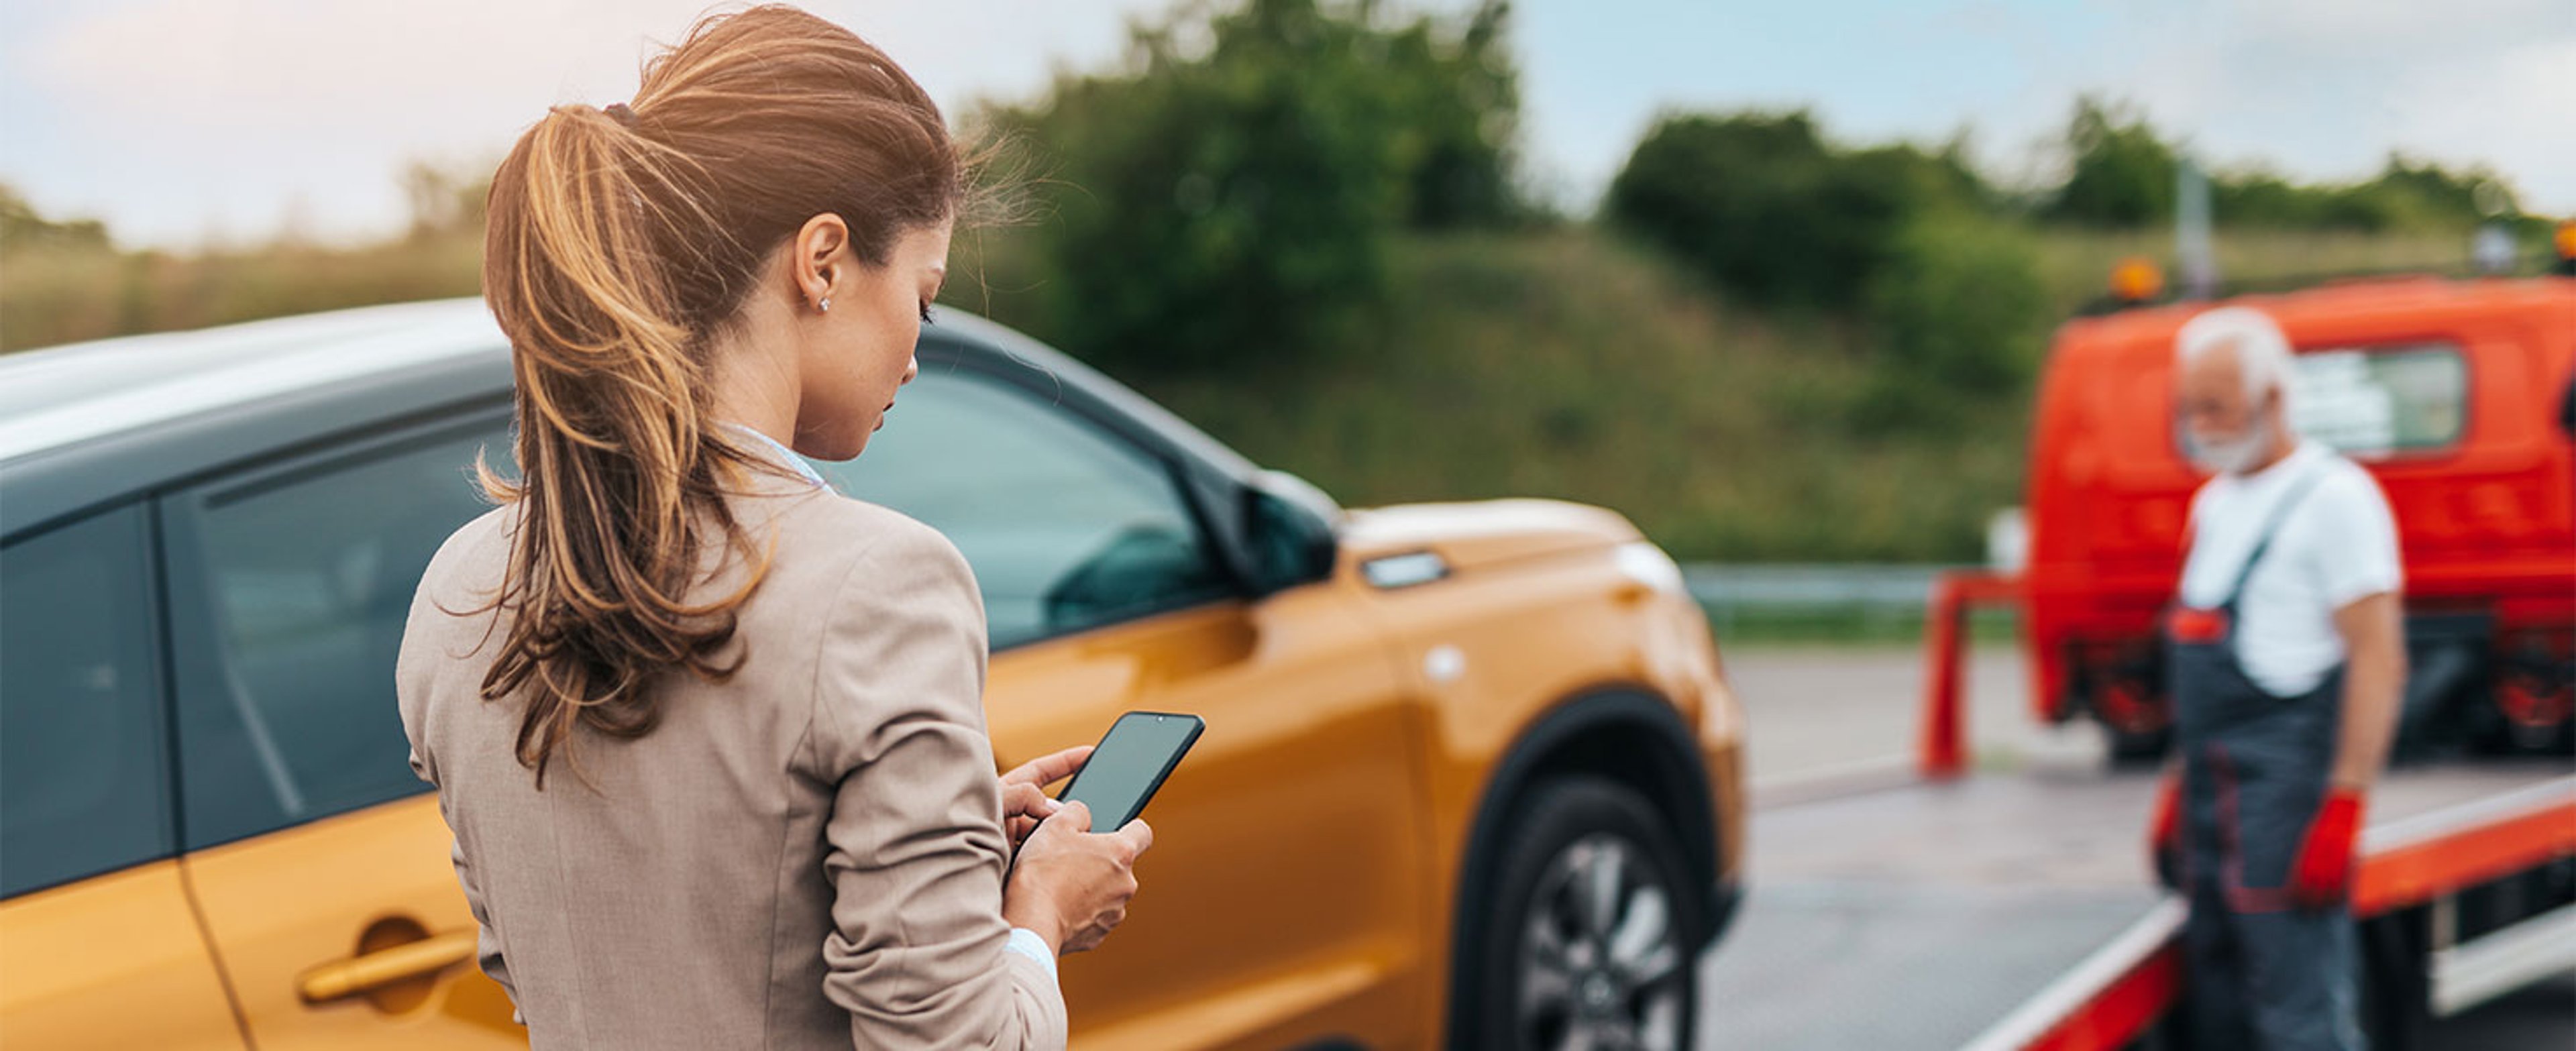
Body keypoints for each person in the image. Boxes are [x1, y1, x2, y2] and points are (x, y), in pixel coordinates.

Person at [394, 7, 1150, 1048]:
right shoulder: (884, 582)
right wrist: (1036, 918)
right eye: (921, 301)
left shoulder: (459, 585)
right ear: (825, 260)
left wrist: (949, 839)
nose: (916, 354)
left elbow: (570, 958)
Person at [2145, 305, 2406, 1050]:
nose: (2202, 424)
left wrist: (2347, 801)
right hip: (2211, 787)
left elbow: (2378, 656)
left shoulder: (2336, 498)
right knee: (2220, 997)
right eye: (2190, 407)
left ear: (2274, 400)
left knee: (2296, 1010)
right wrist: (2175, 778)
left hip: (2285, 790)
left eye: (2218, 407)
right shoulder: (2214, 501)